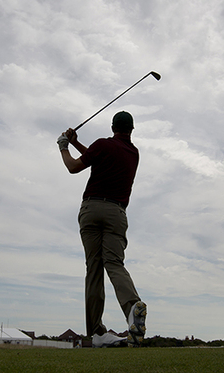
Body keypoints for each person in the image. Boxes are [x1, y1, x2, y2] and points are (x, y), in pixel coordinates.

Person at [57, 111, 147, 348]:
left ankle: (97, 332)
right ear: (131, 129)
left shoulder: (102, 145)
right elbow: (96, 156)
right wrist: (76, 142)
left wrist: (64, 146)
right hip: (116, 213)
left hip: (91, 209)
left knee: (94, 269)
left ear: (112, 127)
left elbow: (74, 167)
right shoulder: (133, 153)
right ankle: (132, 308)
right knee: (114, 264)